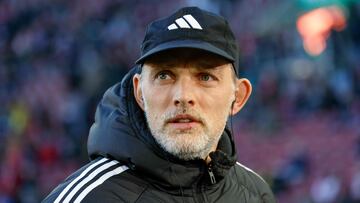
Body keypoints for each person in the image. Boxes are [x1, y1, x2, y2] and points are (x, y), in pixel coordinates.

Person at [43, 7, 276, 203]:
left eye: (205, 77)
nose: (183, 96)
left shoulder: (256, 194)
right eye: (164, 75)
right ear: (139, 93)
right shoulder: (88, 197)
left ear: (238, 97)